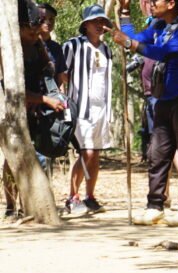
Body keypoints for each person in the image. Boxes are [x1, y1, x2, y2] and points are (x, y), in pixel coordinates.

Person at [111, 0, 178, 226]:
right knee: (157, 154)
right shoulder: (158, 27)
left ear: (171, 3)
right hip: (163, 99)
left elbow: (163, 53)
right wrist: (125, 12)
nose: (151, 4)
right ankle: (154, 207)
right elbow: (136, 38)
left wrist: (129, 43)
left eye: (156, 1)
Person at [3, 0, 67, 219]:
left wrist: (52, 99)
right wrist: (44, 100)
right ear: (19, 27)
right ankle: (11, 207)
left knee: (38, 156)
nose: (34, 36)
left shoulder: (38, 45)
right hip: (13, 111)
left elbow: (48, 73)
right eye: (30, 33)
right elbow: (11, 89)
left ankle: (31, 205)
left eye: (36, 33)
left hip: (37, 111)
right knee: (13, 158)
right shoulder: (8, 48)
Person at [62, 5, 114, 215]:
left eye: (102, 21)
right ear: (85, 25)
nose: (99, 25)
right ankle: (72, 198)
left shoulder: (106, 49)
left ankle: (90, 197)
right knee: (87, 152)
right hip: (80, 108)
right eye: (95, 21)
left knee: (96, 153)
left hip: (102, 108)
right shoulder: (72, 46)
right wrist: (63, 103)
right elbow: (61, 74)